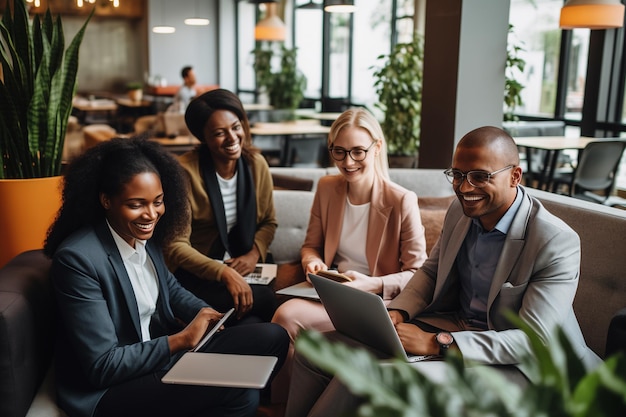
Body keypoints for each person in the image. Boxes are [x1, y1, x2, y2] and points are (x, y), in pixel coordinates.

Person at [284, 126, 602, 417]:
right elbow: (432, 272)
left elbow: (534, 342)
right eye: (458, 175)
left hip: (523, 367)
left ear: (515, 176)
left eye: (479, 176)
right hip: (457, 328)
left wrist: (439, 343)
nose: (464, 188)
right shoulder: (459, 212)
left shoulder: (555, 240)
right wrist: (397, 314)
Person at [44, 136, 288, 417]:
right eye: (137, 204)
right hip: (112, 389)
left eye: (158, 201)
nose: (151, 214)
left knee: (272, 336)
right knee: (241, 389)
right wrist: (182, 340)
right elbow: (104, 365)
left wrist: (203, 312)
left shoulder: (143, 235)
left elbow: (168, 287)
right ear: (106, 201)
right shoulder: (78, 259)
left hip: (160, 359)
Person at [270, 107, 428, 402]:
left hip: (377, 302)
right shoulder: (327, 188)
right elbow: (311, 246)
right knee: (285, 316)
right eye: (339, 152)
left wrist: (370, 284)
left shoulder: (401, 200)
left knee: (287, 316)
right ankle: (282, 405)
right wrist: (312, 262)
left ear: (377, 147)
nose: (348, 162)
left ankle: (283, 407)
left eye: (358, 152)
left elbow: (419, 274)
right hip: (334, 294)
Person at [164, 89, 278, 324]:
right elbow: (175, 245)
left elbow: (268, 221)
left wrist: (253, 254)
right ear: (202, 137)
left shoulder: (256, 165)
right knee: (266, 300)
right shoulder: (185, 172)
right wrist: (224, 273)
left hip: (243, 263)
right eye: (219, 133)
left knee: (256, 317)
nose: (233, 138)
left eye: (236, 127)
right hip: (197, 272)